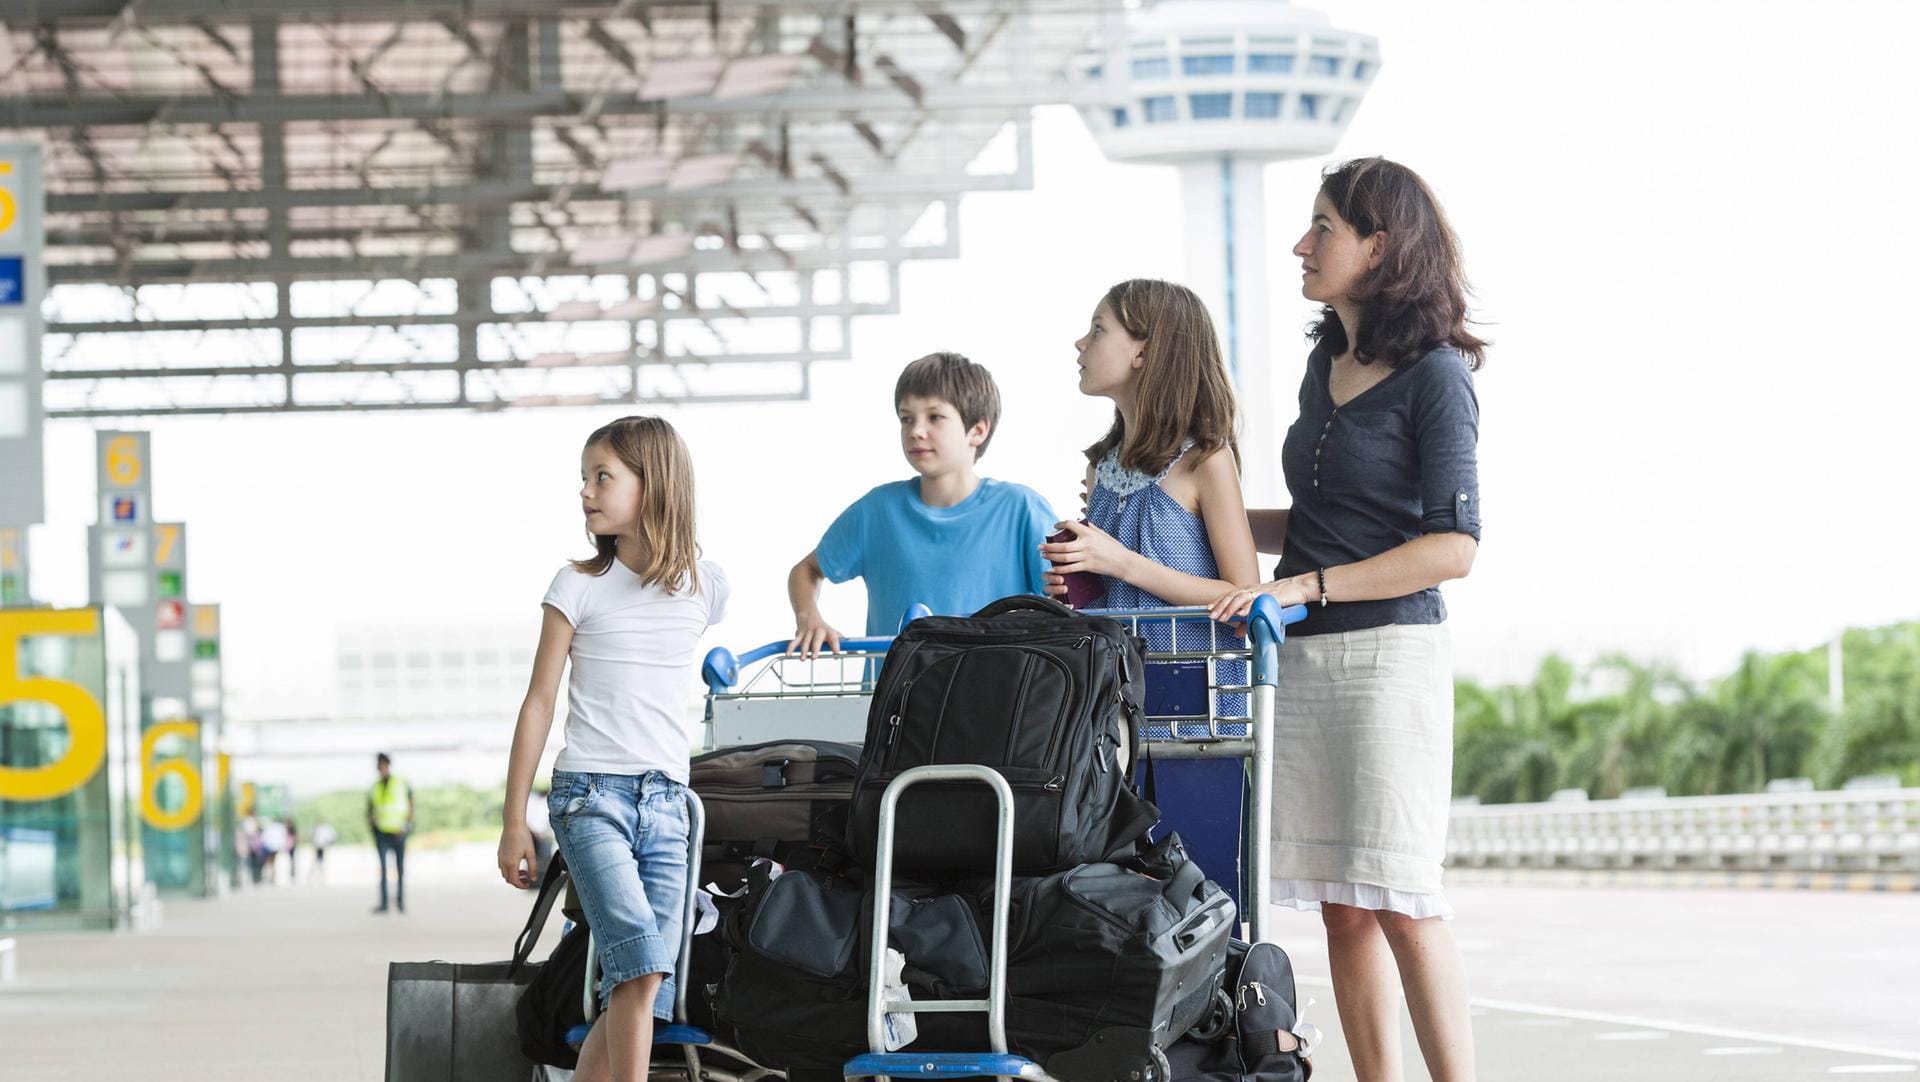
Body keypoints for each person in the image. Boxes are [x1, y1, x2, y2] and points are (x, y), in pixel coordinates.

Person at [1209, 157, 1485, 1082]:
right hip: (1306, 659)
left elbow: (1454, 547)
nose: (1302, 243)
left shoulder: (1437, 377)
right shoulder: (1324, 364)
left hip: (1387, 657)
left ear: (1380, 245)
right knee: (1342, 906)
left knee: (1402, 898)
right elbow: (1319, 522)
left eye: (1322, 226)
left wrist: (1303, 587)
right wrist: (1183, 521)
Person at [497, 415, 730, 1082]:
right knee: (640, 961)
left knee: (642, 983)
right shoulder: (576, 585)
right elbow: (539, 701)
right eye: (584, 478)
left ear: (653, 485)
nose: (586, 492)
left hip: (667, 805)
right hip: (589, 798)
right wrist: (516, 819)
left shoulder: (705, 586)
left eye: (603, 477)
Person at [1040, 279, 1259, 732]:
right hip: (1108, 715)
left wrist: (1121, 563)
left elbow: (1243, 595)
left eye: (1098, 329)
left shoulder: (1207, 460)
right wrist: (1074, 584)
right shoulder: (1100, 469)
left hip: (1199, 712)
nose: (1080, 343)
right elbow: (1109, 593)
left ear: (1143, 352)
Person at [786, 352, 1056, 655]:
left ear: (978, 430)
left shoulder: (1021, 509)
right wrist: (809, 617)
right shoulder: (877, 511)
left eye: (935, 417)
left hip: (998, 694)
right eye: (906, 418)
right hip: (895, 697)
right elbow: (806, 570)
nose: (915, 431)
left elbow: (1064, 600)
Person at [367, 752, 414, 913]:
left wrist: (407, 825)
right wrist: (371, 824)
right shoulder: (375, 786)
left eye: (381, 765)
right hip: (381, 833)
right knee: (383, 868)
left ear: (387, 764)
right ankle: (384, 903)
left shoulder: (401, 783)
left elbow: (410, 803)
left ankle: (400, 902)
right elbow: (370, 808)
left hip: (398, 832)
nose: (380, 768)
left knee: (400, 868)